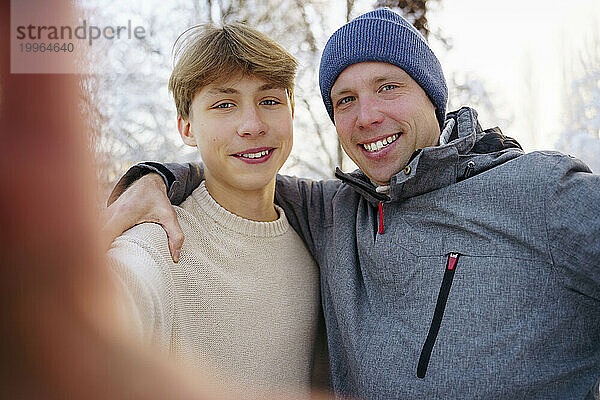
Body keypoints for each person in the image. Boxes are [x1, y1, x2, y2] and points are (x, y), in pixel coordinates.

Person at [105, 8, 600, 399]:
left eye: (388, 87)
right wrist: (154, 178)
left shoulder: (540, 191)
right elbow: (240, 173)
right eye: (345, 100)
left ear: (432, 96)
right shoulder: (333, 211)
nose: (367, 116)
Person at [106, 23, 326, 396]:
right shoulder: (156, 249)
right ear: (187, 128)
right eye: (224, 105)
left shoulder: (314, 244)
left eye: (269, 101)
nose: (252, 125)